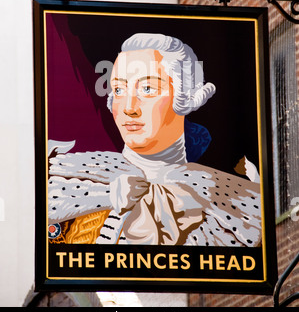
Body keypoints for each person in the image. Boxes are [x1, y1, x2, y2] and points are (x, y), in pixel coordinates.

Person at [48, 33, 261, 246]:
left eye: (148, 89)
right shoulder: (66, 179)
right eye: (119, 90)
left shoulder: (242, 202)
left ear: (185, 96)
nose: (129, 108)